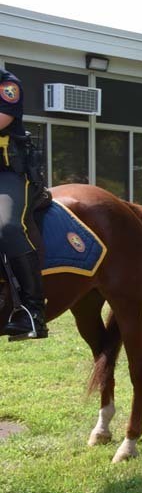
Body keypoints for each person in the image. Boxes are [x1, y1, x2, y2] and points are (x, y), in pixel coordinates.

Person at [0, 68, 48, 339]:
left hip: (9, 174)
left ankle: (32, 311)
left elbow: (2, 118)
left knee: (7, 227)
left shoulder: (7, 84)